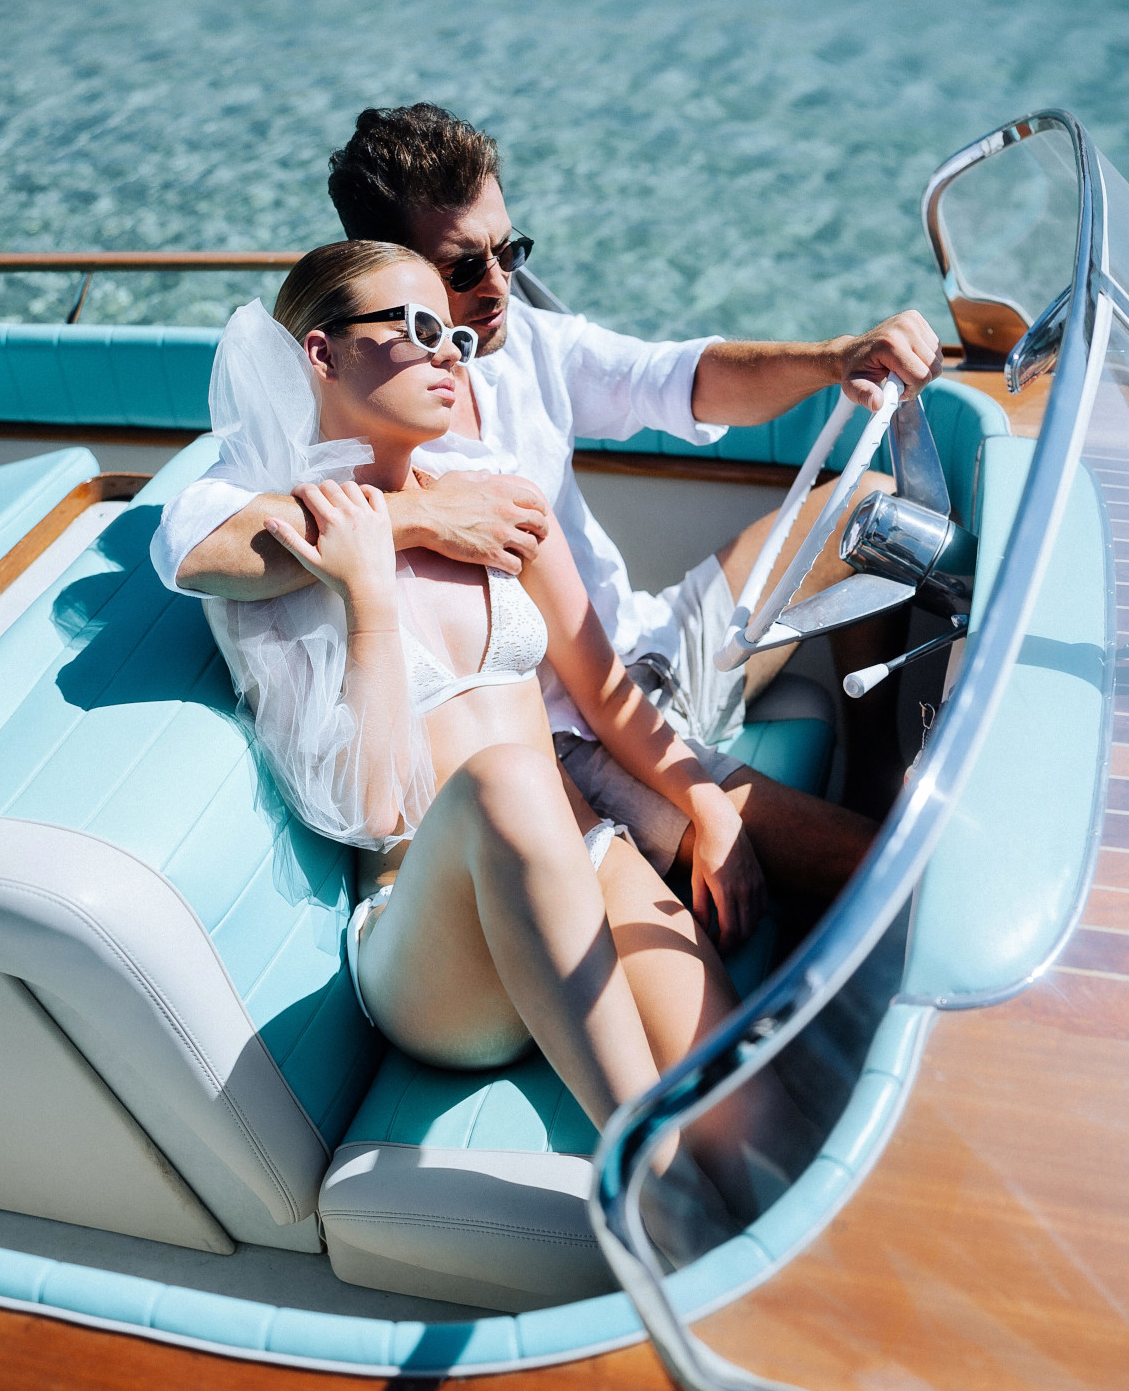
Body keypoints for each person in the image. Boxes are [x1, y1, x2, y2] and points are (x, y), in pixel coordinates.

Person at [154, 103, 942, 887]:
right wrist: (417, 516)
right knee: (877, 872)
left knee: (868, 509)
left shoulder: (523, 342)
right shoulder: (334, 424)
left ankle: (872, 766)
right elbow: (196, 545)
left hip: (648, 646)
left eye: (510, 250)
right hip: (571, 738)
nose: (499, 285)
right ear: (400, 270)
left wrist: (835, 357)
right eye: (464, 268)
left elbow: (678, 379)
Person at [201, 238, 804, 1227]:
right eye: (419, 330)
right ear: (322, 355)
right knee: (511, 781)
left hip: (587, 859)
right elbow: (374, 807)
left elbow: (607, 694)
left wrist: (701, 795)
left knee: (758, 1120)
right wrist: (365, 594)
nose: (452, 352)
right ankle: (651, 1190)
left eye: (455, 333)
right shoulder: (306, 544)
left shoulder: (503, 504)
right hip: (435, 939)